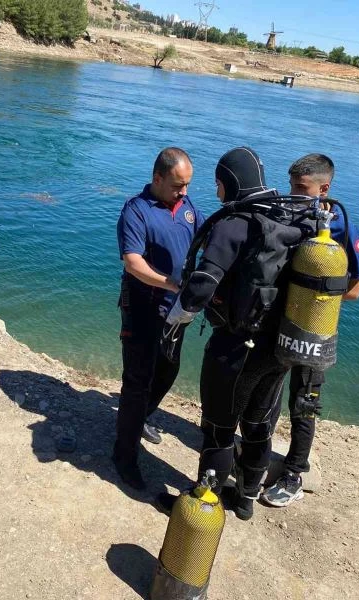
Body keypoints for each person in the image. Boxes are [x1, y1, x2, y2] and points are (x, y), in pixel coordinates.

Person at [160, 146, 321, 520]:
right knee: (260, 423)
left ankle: (204, 503)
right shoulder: (292, 216)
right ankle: (246, 499)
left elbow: (201, 285)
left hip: (236, 347)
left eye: (218, 185)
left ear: (229, 183)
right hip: (280, 346)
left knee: (218, 427)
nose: (216, 193)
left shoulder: (235, 223)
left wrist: (176, 319)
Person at [261, 153, 359, 507]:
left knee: (304, 402)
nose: (295, 194)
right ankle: (259, 448)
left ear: (325, 189)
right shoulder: (286, 217)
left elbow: (354, 289)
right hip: (280, 325)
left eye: (302, 188)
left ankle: (294, 470)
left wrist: (312, 295)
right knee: (269, 391)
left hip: (315, 332)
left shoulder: (343, 230)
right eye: (292, 186)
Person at [113, 147, 204, 490]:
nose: (184, 191)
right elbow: (132, 262)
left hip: (177, 311)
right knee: (137, 380)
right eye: (178, 185)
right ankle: (124, 455)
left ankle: (139, 418)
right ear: (157, 178)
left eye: (188, 184)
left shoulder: (188, 208)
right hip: (143, 309)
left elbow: (205, 241)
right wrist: (171, 283)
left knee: (168, 368)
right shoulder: (136, 211)